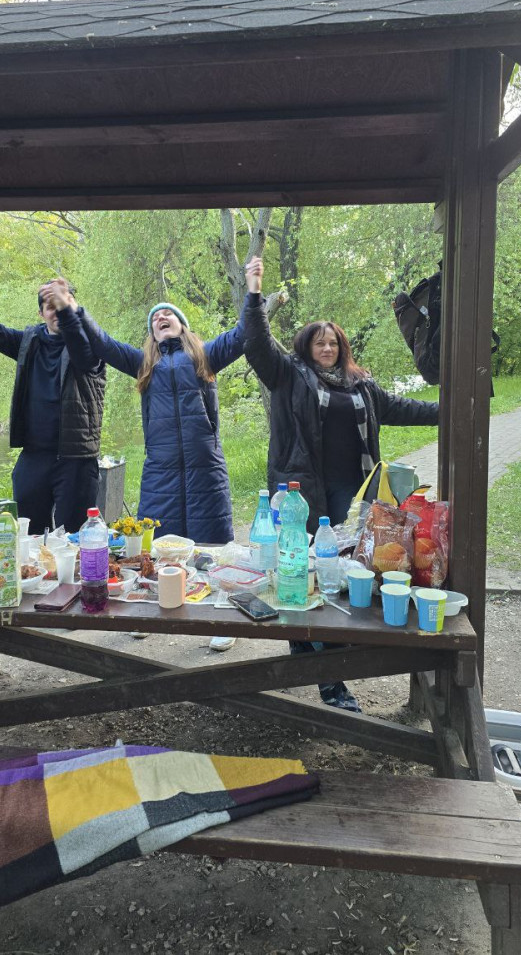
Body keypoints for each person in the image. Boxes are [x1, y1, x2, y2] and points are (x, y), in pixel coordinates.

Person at [242, 257, 439, 710]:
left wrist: (451, 409)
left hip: (355, 496)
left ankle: (324, 655)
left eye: (333, 342)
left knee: (347, 578)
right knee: (303, 576)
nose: (327, 348)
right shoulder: (288, 375)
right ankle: (329, 681)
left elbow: (401, 409)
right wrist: (254, 294)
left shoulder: (360, 384)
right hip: (303, 496)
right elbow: (255, 343)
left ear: (342, 347)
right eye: (319, 342)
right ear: (306, 346)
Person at [40, 281, 246, 651]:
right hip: (160, 474)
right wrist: (73, 308)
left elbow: (245, 334)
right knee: (156, 551)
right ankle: (153, 613)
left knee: (212, 549)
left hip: (205, 471)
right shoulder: (143, 363)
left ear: (183, 326)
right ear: (152, 334)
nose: (160, 317)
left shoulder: (206, 356)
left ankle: (221, 618)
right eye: (155, 318)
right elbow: (102, 343)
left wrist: (254, 290)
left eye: (168, 314)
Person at [0, 261, 106, 535]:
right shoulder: (29, 342)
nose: (57, 312)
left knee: (76, 539)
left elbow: (82, 351)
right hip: (34, 456)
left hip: (76, 459)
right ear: (41, 313)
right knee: (30, 536)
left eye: (62, 305)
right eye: (51, 307)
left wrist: (68, 311)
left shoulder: (90, 345)